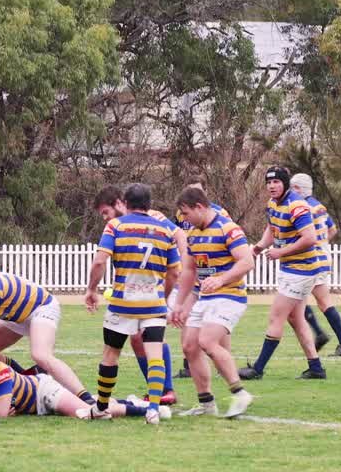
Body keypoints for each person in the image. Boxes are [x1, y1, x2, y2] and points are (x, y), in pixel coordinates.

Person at [84, 183, 180, 424]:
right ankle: (153, 410)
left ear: (125, 203)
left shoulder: (116, 226)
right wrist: (163, 296)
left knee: (111, 354)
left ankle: (101, 407)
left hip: (122, 303)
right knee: (155, 356)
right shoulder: (164, 230)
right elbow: (174, 272)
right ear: (149, 204)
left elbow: (100, 261)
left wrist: (91, 289)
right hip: (154, 304)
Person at [170, 187, 255, 418]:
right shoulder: (192, 234)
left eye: (185, 213)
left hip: (230, 296)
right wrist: (179, 304)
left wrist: (221, 279)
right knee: (189, 346)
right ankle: (206, 404)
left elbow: (247, 262)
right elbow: (189, 271)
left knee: (207, 341)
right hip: (205, 298)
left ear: (199, 207)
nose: (184, 219)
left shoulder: (228, 229)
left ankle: (240, 394)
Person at [239, 167, 328, 381]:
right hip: (292, 269)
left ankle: (258, 369)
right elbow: (272, 229)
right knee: (296, 318)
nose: (272, 186)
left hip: (302, 269)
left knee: (276, 317)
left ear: (285, 183)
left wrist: (281, 252)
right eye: (269, 182)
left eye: (276, 182)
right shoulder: (273, 203)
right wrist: (259, 248)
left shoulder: (297, 205)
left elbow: (310, 238)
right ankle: (316, 368)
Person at [0, 266, 92, 401]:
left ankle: (85, 398)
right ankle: (27, 377)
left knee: (41, 355)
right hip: (16, 314)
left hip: (41, 308)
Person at [0, 353, 161, 420]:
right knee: (91, 405)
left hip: (43, 392)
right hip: (37, 406)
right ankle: (132, 402)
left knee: (89, 413)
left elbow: (1, 412)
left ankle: (148, 411)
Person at [290, 173, 341, 357]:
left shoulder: (301, 208)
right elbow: (332, 230)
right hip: (322, 257)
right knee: (320, 301)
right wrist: (321, 242)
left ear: (297, 189)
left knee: (294, 298)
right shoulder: (319, 206)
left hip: (311, 259)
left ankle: (323, 334)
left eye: (292, 188)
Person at [172, 177, 229, 381]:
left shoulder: (221, 215)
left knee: (218, 325)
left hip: (215, 280)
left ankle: (223, 365)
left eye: (197, 190)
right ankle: (189, 365)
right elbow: (179, 236)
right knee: (186, 317)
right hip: (195, 275)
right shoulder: (181, 213)